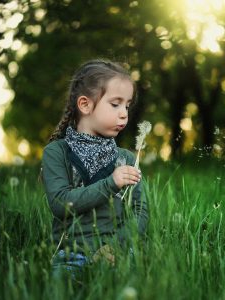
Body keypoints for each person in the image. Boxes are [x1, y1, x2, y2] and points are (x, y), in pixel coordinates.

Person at [41, 59, 148, 276]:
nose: (124, 113)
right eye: (115, 104)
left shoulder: (127, 158)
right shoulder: (56, 152)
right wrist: (111, 183)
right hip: (71, 252)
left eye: (127, 105)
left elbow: (140, 211)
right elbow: (61, 204)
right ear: (85, 105)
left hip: (117, 251)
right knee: (62, 285)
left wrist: (117, 246)